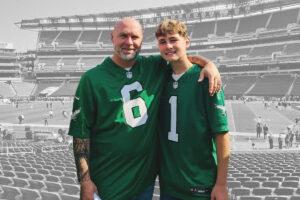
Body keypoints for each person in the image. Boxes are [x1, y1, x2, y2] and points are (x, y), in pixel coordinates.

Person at [68, 17, 222, 200]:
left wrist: (209, 64)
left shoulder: (154, 66)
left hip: (143, 185)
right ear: (112, 38)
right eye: (123, 36)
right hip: (107, 185)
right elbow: (80, 136)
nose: (129, 42)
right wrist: (85, 182)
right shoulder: (92, 79)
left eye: (135, 37)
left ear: (142, 40)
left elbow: (182, 58)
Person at [156, 19, 230, 200]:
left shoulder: (206, 79)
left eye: (173, 40)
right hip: (169, 186)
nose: (168, 46)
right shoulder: (160, 76)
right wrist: (207, 62)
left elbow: (221, 134)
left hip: (199, 185)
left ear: (186, 42)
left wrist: (221, 184)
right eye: (163, 42)